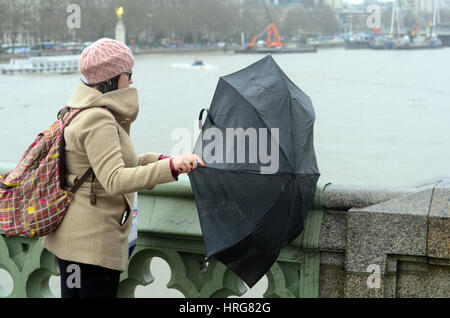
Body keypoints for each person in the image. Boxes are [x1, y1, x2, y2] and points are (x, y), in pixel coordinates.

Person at [42, 38, 204, 298]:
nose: (131, 82)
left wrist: (166, 160)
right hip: (92, 247)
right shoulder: (98, 119)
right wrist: (171, 169)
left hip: (73, 241)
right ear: (112, 78)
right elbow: (115, 179)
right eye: (129, 75)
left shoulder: (77, 110)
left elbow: (113, 163)